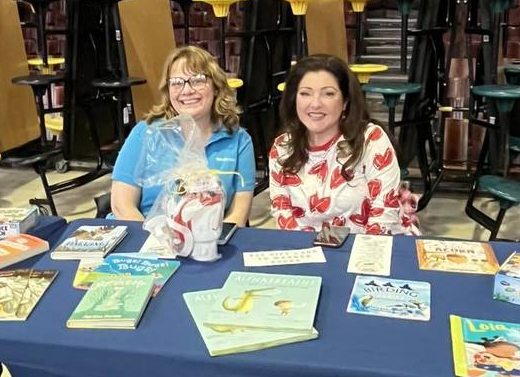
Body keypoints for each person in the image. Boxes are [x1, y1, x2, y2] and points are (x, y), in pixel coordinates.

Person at [269, 53, 419, 235]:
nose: (315, 104)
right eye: (305, 93)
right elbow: (283, 214)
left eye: (328, 94)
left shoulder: (371, 140)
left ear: (345, 102)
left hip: (376, 246)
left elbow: (383, 218)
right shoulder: (282, 148)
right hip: (312, 251)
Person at [111, 45, 255, 226]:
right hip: (147, 237)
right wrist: (154, 243)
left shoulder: (239, 141)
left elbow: (239, 214)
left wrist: (209, 243)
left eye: (197, 80)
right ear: (168, 90)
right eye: (177, 82)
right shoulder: (145, 133)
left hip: (209, 243)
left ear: (216, 87)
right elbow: (122, 205)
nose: (186, 90)